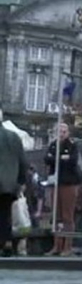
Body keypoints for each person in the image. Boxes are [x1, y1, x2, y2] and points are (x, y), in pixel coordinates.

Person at [44, 123, 80, 256]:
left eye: (64, 131)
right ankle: (57, 245)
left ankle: (67, 246)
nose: (61, 133)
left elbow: (72, 160)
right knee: (57, 216)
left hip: (68, 183)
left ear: (68, 133)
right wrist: (60, 158)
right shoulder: (53, 145)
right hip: (56, 183)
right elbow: (47, 159)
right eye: (59, 131)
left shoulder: (72, 145)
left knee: (67, 216)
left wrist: (57, 159)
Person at [0, 109, 28, 257]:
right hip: (10, 184)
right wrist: (22, 180)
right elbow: (23, 161)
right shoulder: (14, 137)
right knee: (5, 213)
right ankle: (7, 242)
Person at [25, 165, 45, 229]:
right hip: (27, 204)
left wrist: (39, 211)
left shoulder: (37, 180)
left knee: (35, 223)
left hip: (33, 205)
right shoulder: (27, 179)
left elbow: (40, 196)